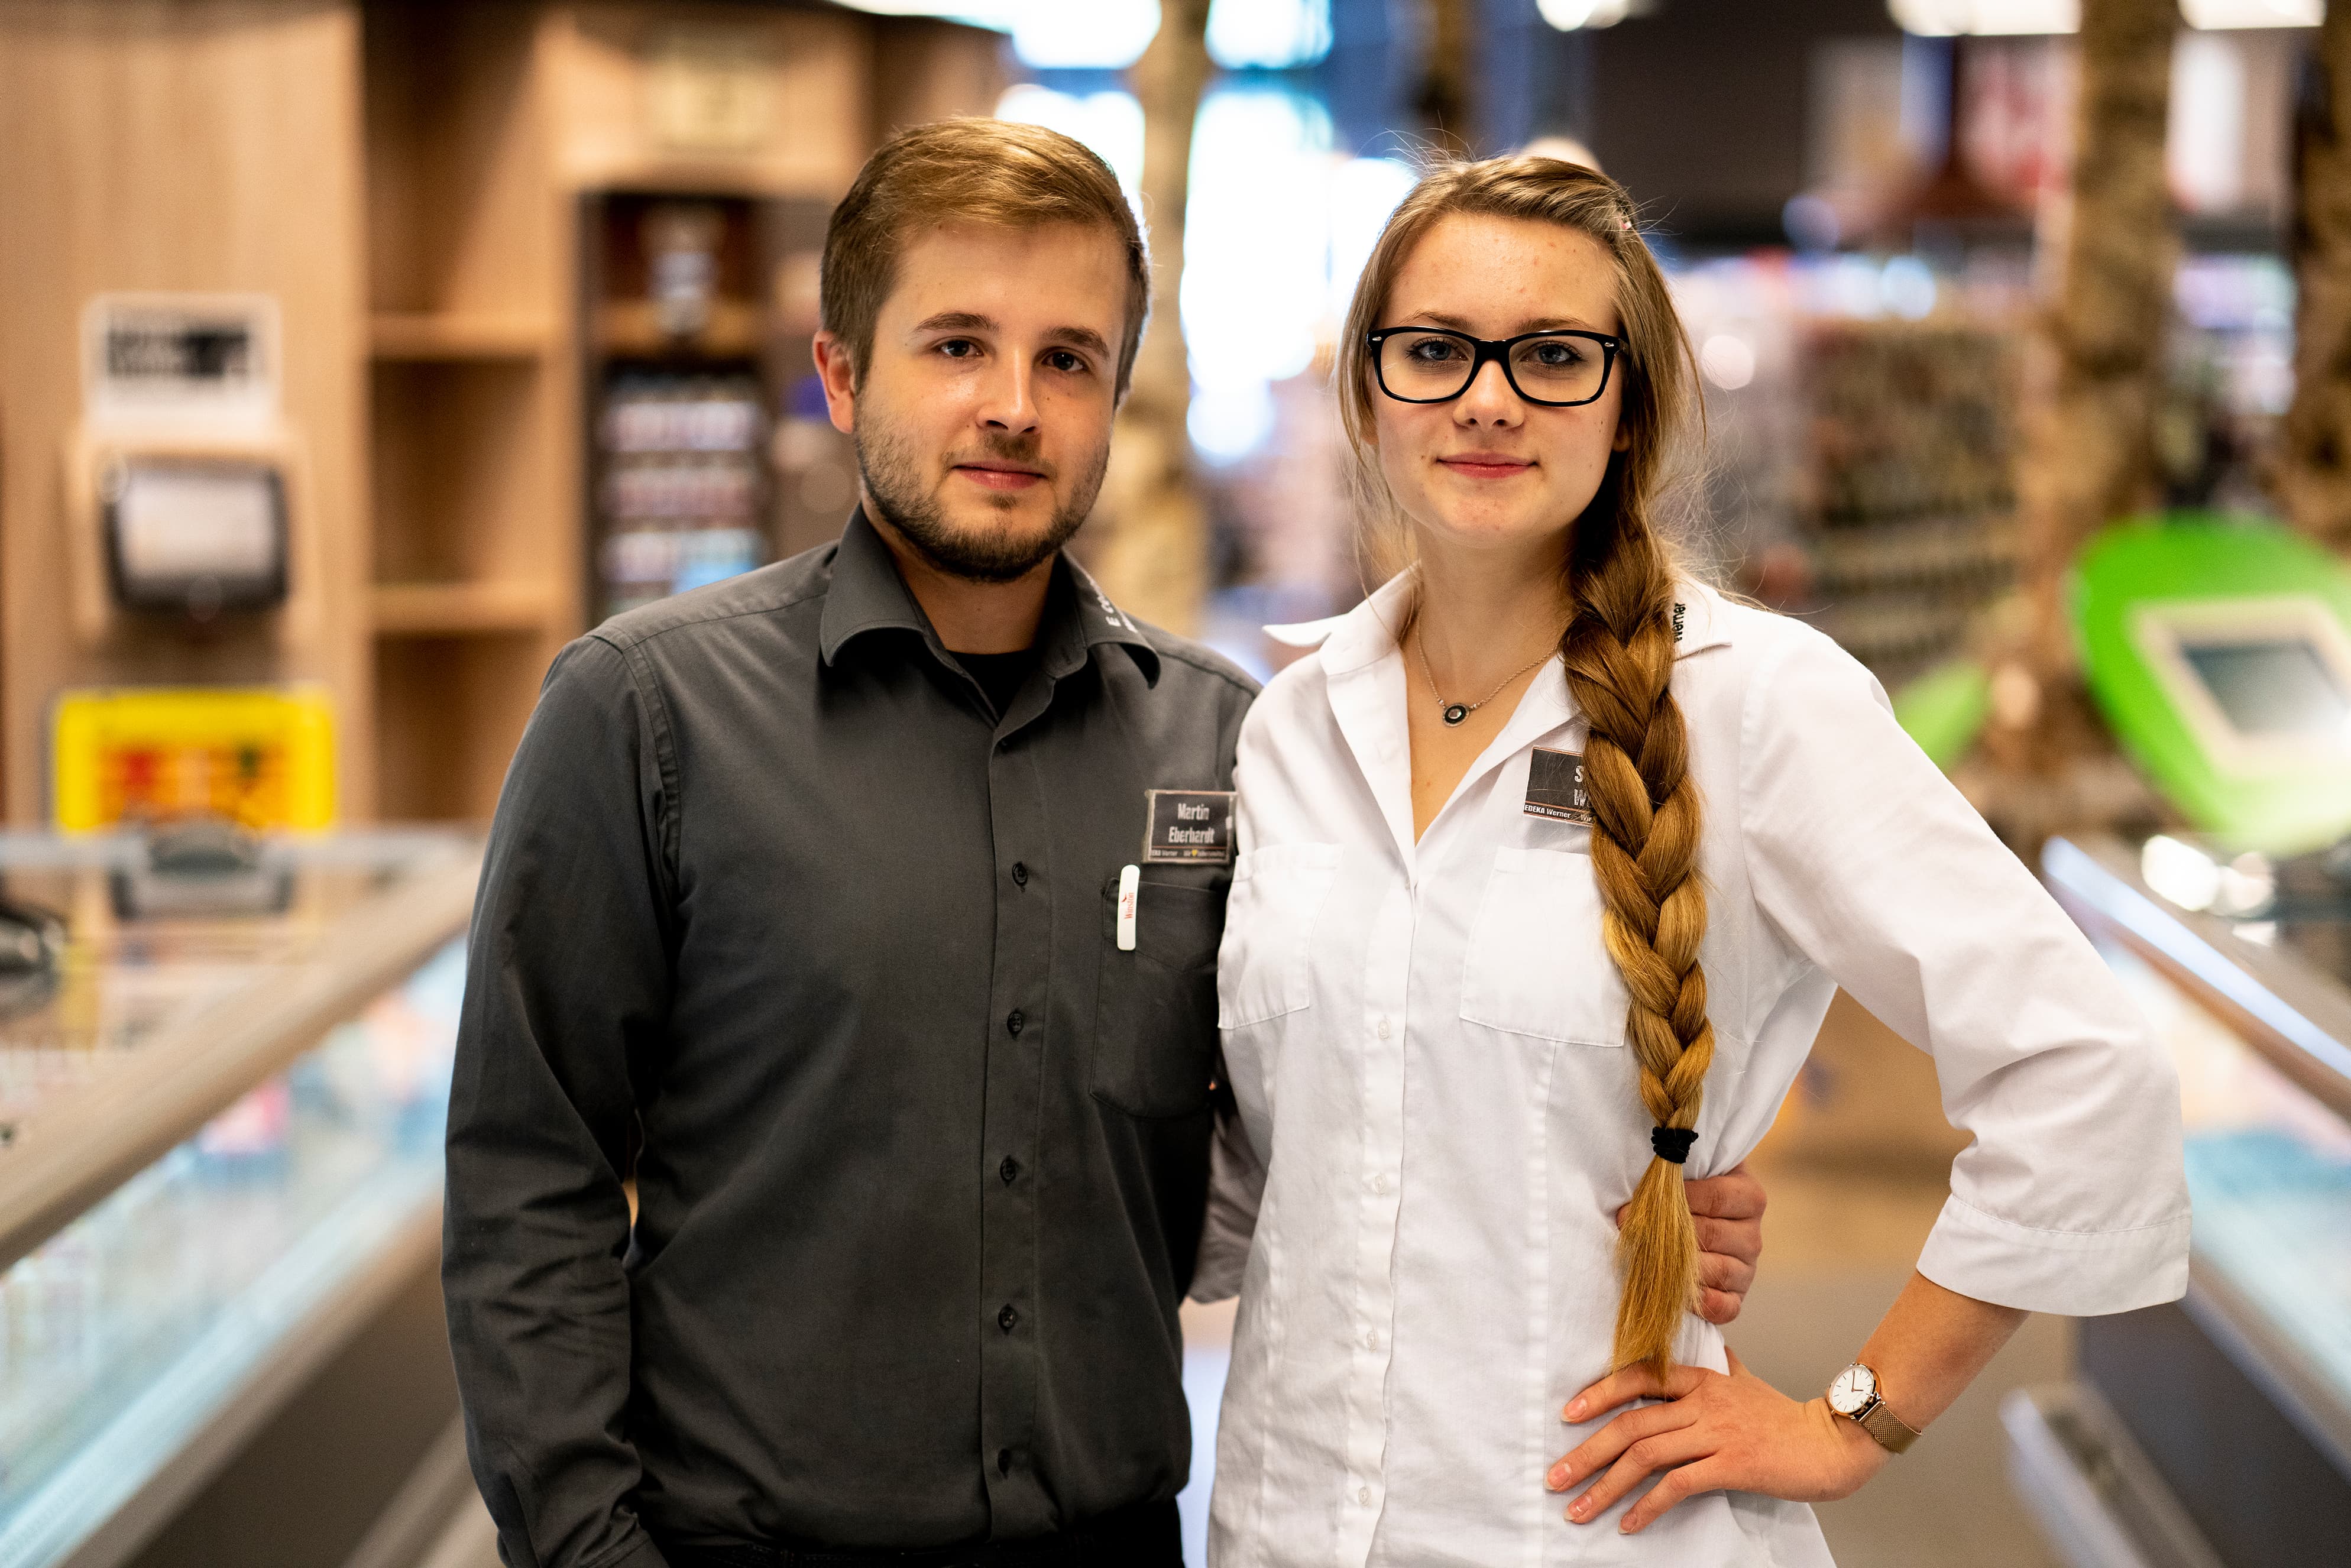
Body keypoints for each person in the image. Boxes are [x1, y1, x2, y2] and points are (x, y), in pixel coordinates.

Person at [441, 119, 1771, 1568]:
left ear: (1114, 400)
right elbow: (528, 1179)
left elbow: (1333, 1107)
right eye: (957, 346)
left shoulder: (1228, 744)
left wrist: (1617, 1180)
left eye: (1068, 359)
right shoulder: (647, 714)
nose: (1014, 407)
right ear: (839, 373)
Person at [1194, 155, 2191, 1566]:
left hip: (1592, 1534)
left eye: (1552, 357)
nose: (1486, 399)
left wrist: (1850, 1422)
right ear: (1365, 393)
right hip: (1286, 1526)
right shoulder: (1291, 729)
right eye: (1432, 350)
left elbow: (2082, 1071)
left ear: (1628, 411)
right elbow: (1265, 1170)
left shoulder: (1758, 704)